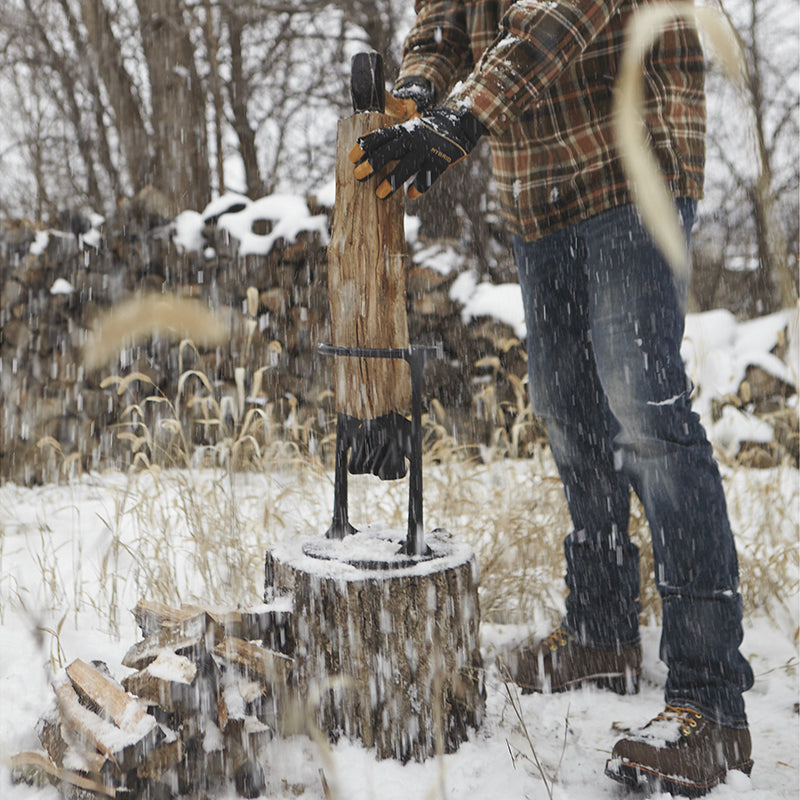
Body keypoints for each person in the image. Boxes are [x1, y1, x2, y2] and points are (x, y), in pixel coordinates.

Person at [350, 0, 755, 795]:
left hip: (629, 159)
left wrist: (462, 117)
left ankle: (712, 702)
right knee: (568, 417)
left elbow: (560, 13)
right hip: (539, 191)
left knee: (648, 421)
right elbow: (444, 20)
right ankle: (602, 635)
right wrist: (417, 94)